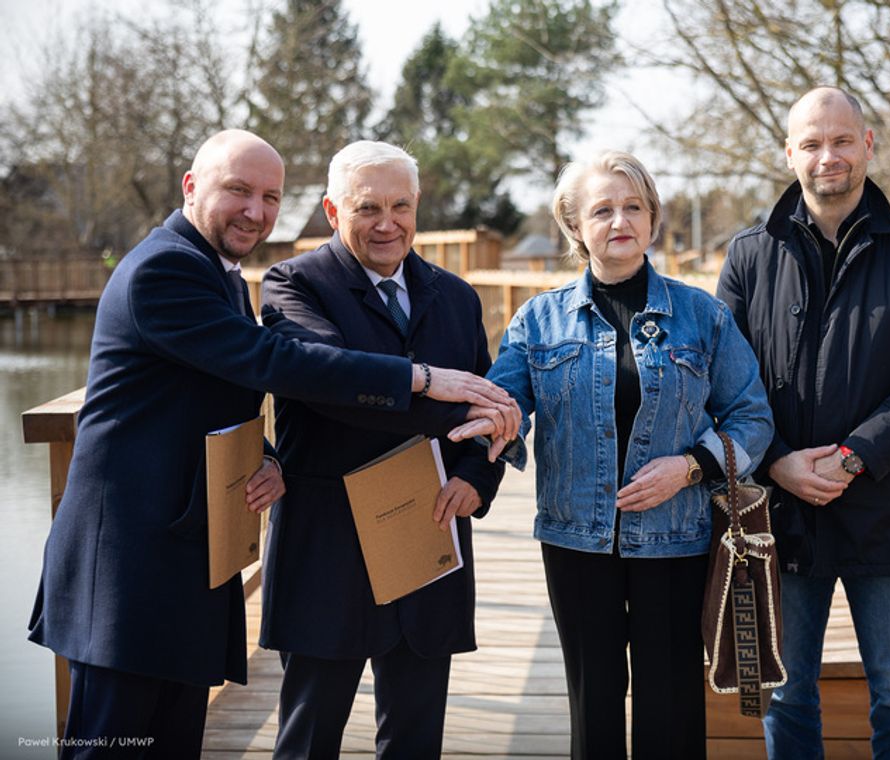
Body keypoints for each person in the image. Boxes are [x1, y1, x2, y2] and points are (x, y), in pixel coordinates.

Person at [27, 129, 518, 759]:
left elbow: (218, 388)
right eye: (238, 190)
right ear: (192, 187)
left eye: (268, 197)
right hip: (133, 565)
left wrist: (264, 453)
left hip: (213, 551)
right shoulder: (173, 269)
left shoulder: (222, 274)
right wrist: (424, 380)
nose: (255, 211)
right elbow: (279, 363)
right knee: (114, 744)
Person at [450, 150, 774, 760]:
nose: (620, 221)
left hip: (677, 539)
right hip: (576, 542)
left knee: (672, 708)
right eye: (602, 210)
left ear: (652, 218)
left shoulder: (702, 316)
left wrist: (691, 467)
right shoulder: (539, 320)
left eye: (634, 207)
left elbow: (752, 417)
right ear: (575, 226)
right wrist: (496, 425)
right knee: (593, 704)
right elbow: (504, 404)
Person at [716, 87, 890, 759]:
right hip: (782, 511)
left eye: (842, 140)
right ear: (789, 153)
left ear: (869, 144)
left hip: (884, 500)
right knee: (788, 690)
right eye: (812, 143)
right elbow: (723, 380)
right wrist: (777, 462)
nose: (828, 156)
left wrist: (854, 455)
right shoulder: (748, 255)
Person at [256, 140, 507, 759]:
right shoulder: (294, 284)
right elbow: (328, 381)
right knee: (309, 737)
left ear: (418, 206)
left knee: (415, 739)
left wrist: (477, 477)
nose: (387, 223)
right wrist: (431, 384)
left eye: (401, 206)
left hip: (429, 535)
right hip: (329, 547)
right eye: (368, 207)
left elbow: (488, 406)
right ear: (333, 212)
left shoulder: (456, 296)